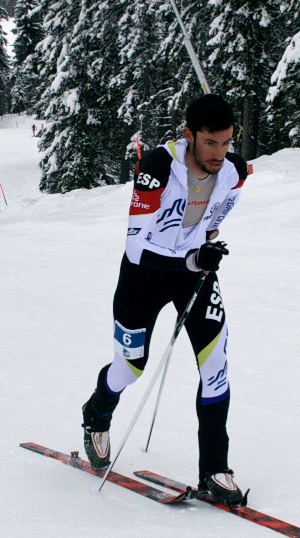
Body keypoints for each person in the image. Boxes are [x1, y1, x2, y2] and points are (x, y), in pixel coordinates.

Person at [78, 94, 249, 506]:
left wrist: (204, 248)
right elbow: (136, 247)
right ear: (189, 135)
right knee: (130, 368)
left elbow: (214, 217)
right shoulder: (156, 168)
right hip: (144, 276)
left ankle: (215, 469)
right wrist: (192, 258)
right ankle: (96, 415)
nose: (220, 154)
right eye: (211, 143)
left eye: (227, 143)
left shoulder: (234, 171)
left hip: (194, 276)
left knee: (216, 365)